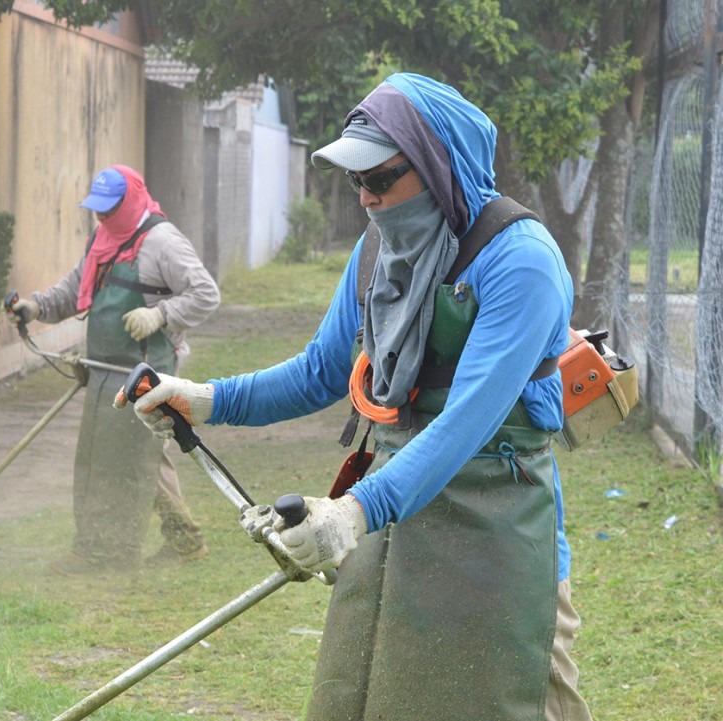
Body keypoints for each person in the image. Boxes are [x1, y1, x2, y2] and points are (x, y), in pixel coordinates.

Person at [117, 74, 594, 721]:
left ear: (437, 167)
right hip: (393, 519)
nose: (367, 199)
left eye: (381, 179)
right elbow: (319, 370)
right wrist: (203, 398)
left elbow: (464, 423)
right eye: (356, 183)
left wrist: (352, 512)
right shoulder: (379, 248)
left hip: (496, 528)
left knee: (514, 698)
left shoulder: (520, 262)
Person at [10, 164, 220, 574]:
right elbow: (74, 291)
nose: (102, 217)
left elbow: (206, 294)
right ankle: (185, 540)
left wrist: (160, 315)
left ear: (131, 201)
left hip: (147, 371)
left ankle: (103, 552)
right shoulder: (103, 239)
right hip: (104, 368)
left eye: (109, 209)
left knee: (126, 458)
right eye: (97, 210)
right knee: (138, 455)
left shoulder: (161, 242)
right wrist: (36, 307)